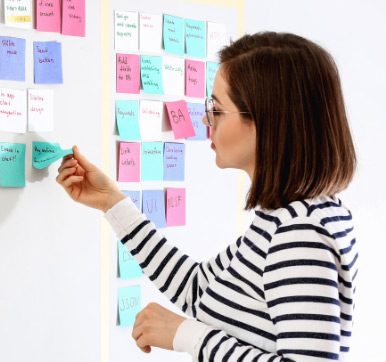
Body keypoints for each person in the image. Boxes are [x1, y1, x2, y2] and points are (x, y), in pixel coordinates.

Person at [57, 32, 357, 361]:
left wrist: (187, 335)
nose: (205, 118)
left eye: (216, 108)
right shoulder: (282, 217)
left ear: (264, 121)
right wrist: (111, 201)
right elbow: (199, 290)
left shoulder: (301, 233)